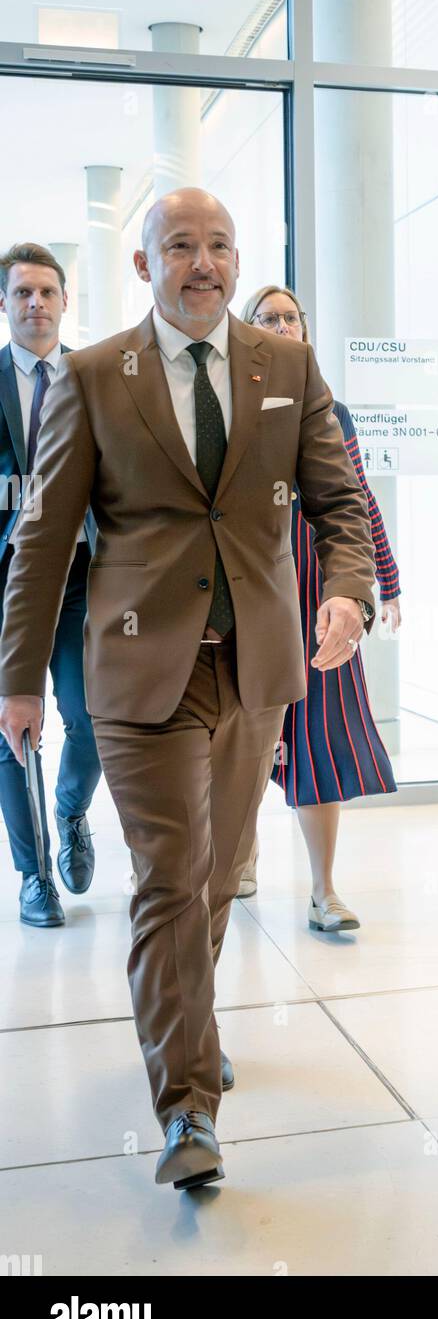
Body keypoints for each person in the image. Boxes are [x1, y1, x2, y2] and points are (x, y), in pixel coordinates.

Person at [0, 188, 377, 1191]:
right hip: (137, 668)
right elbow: (41, 536)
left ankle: (186, 1030)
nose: (203, 263)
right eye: (180, 246)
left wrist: (348, 594)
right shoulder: (93, 377)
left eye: (219, 246)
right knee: (172, 878)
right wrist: (21, 677)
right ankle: (189, 1106)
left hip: (255, 664)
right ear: (143, 266)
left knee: (216, 878)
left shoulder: (285, 366)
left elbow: (340, 501)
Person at [238, 285, 400, 930]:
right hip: (249, 582)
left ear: (305, 329)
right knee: (245, 731)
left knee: (322, 733)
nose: (281, 325)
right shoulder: (230, 405)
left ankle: (324, 890)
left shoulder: (336, 412)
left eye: (290, 317)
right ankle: (240, 858)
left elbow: (356, 502)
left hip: (320, 587)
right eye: (267, 318)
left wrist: (382, 581)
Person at [0, 243, 100, 927]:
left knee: (91, 718)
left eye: (46, 292)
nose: (36, 303)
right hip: (5, 582)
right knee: (11, 728)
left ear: (65, 302)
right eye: (22, 293)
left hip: (82, 579)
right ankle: (35, 876)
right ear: (5, 305)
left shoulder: (93, 382)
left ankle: (69, 813)